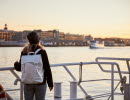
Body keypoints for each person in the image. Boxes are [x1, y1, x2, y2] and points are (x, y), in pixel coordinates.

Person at [14, 31, 53, 100]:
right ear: (38, 40)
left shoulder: (24, 51)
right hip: (41, 82)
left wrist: (16, 64)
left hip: (28, 82)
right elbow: (47, 68)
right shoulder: (42, 51)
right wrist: (50, 83)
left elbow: (20, 68)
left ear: (28, 40)